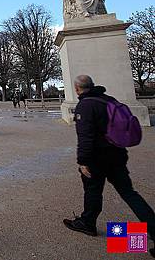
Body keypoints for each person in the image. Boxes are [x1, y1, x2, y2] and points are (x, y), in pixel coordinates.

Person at [63, 75, 155, 256]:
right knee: (129, 193)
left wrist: (83, 161)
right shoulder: (108, 100)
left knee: (93, 190)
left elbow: (86, 138)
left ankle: (88, 222)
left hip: (97, 158)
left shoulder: (85, 106)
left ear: (77, 89)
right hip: (117, 155)